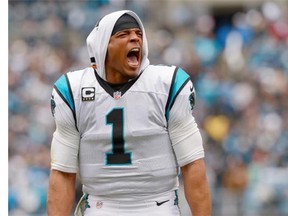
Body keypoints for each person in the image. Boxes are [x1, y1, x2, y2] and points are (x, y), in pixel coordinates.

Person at [47, 9, 211, 216]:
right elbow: (62, 172)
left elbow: (193, 163)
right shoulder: (72, 90)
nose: (135, 38)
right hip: (100, 207)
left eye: (138, 34)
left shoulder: (167, 84)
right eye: (123, 35)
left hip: (158, 206)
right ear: (102, 46)